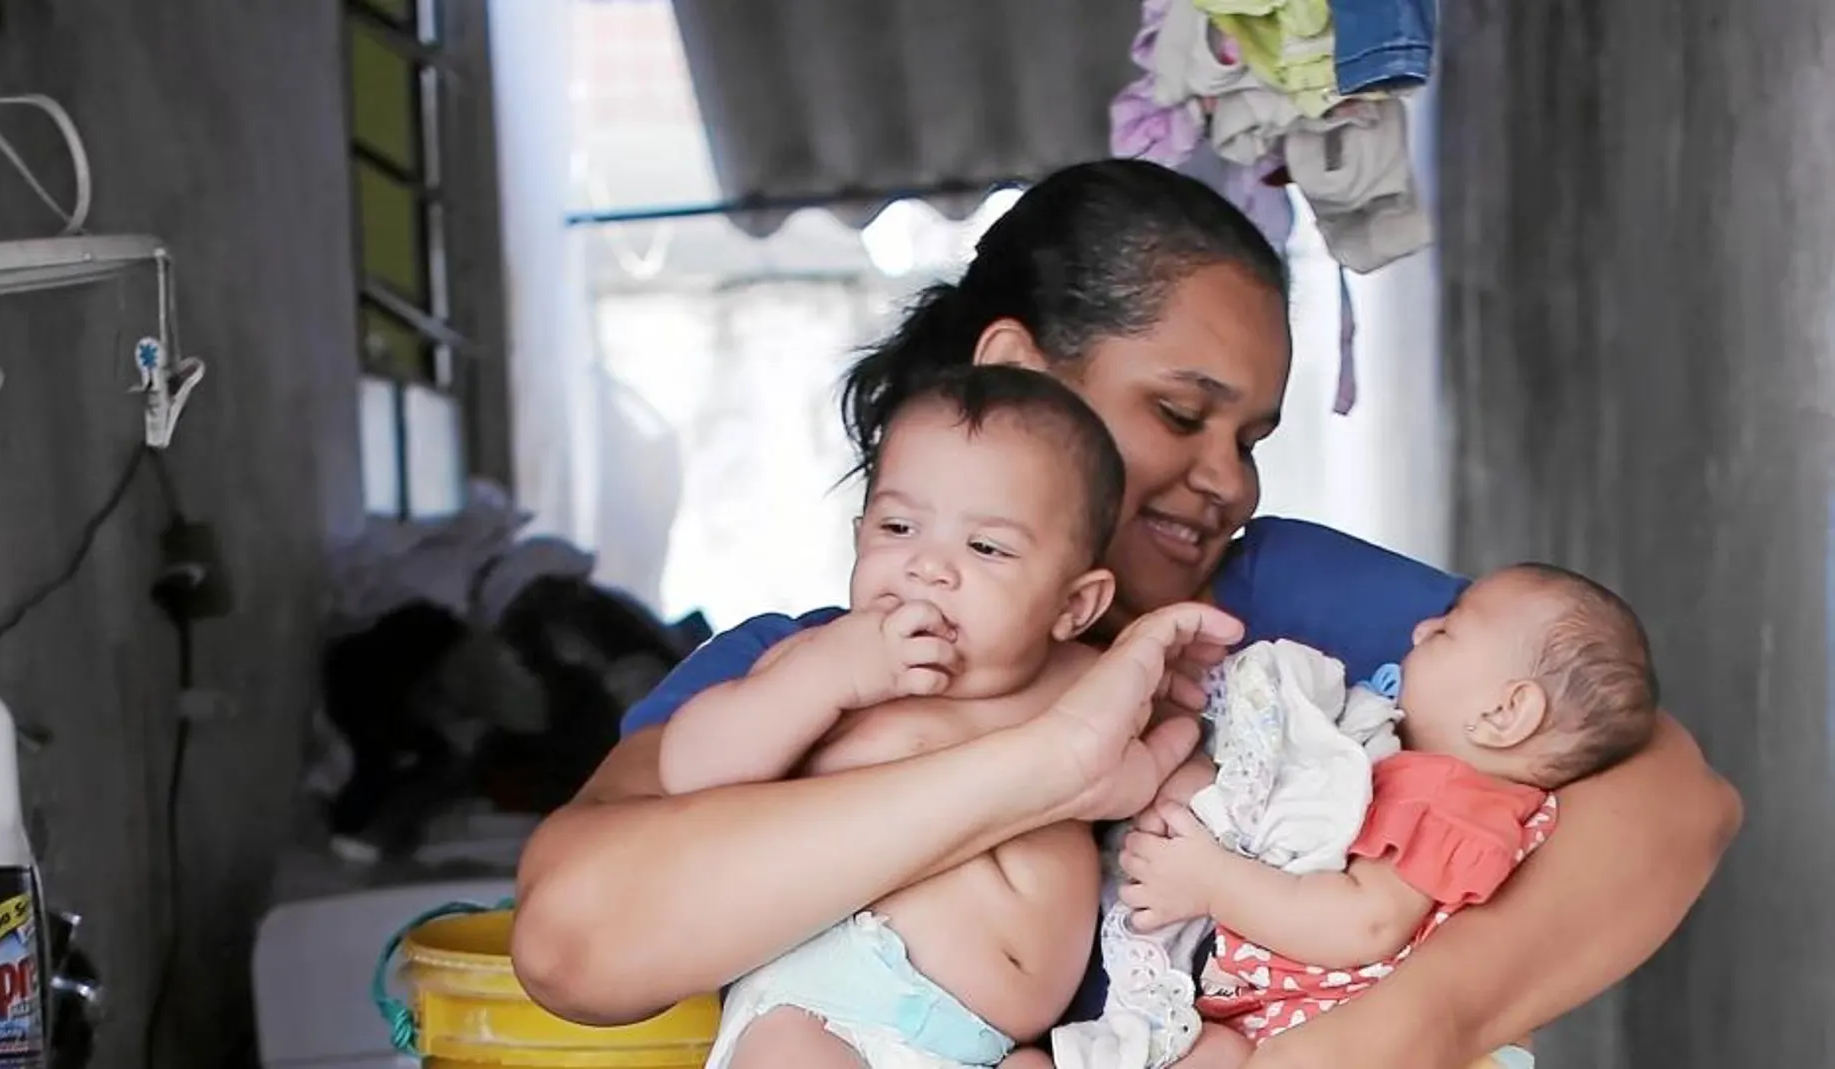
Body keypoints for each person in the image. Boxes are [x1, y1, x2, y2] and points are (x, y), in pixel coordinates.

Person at [509, 159, 1742, 1069]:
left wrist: (1404, 1027)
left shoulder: (1273, 610)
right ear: (1023, 370)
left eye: (1250, 437)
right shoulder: (795, 673)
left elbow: (1674, 796)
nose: (1230, 479)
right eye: (1180, 414)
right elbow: (575, 940)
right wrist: (1044, 766)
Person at [661, 364, 1131, 1067]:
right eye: (899, 526)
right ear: (859, 535)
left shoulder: (1093, 685)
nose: (927, 567)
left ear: (1074, 605)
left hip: (992, 1046)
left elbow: (1187, 784)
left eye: (986, 547)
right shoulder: (823, 665)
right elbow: (689, 768)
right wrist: (827, 678)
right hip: (824, 1008)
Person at [1119, 563, 1660, 1068]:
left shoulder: (1444, 799)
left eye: (1448, 632)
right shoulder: (1445, 789)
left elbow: (1365, 921)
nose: (1421, 630)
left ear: (1504, 713)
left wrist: (1212, 882)